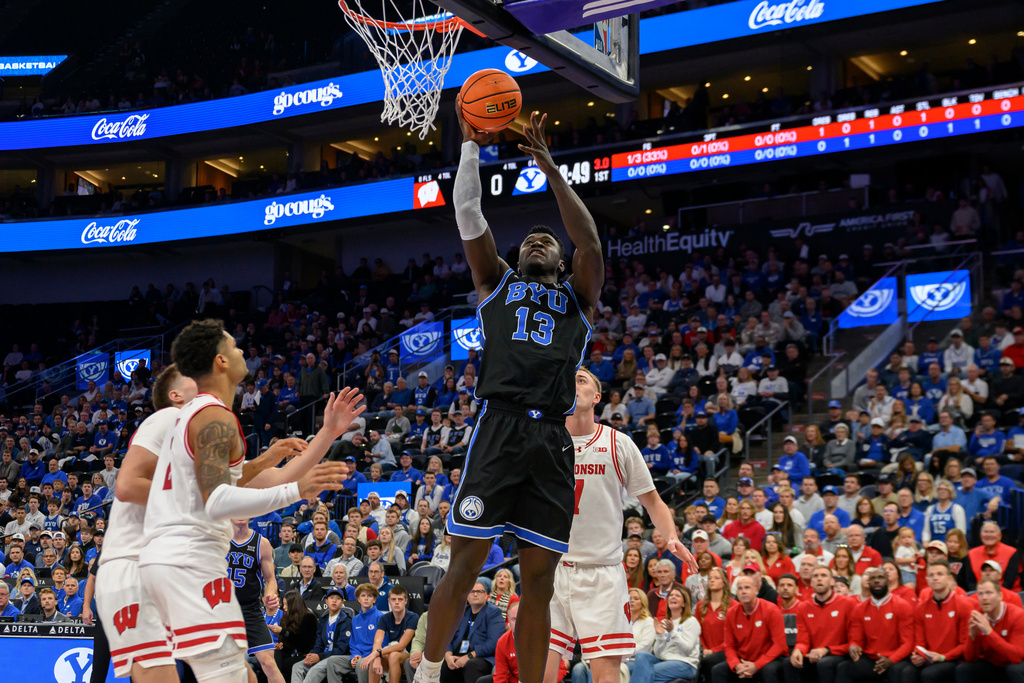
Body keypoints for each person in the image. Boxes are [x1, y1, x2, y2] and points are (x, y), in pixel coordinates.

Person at [418, 109, 604, 683]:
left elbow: (590, 240)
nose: (538, 239)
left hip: (550, 439)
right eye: (530, 239)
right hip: (497, 428)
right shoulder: (495, 283)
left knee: (539, 584)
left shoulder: (579, 297)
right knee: (465, 562)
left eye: (547, 239)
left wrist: (550, 167)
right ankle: (426, 672)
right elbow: (468, 213)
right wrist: (471, 146)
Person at [138, 320, 361, 682]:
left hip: (174, 565)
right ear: (221, 361)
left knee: (240, 674)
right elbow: (219, 500)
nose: (243, 351)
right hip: (186, 566)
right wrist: (296, 493)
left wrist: (328, 432)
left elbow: (271, 478)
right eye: (235, 346)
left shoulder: (199, 419)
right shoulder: (213, 418)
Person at [545, 369, 697, 683]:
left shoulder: (618, 443)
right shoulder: (544, 441)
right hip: (552, 568)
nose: (574, 383)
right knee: (538, 672)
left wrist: (672, 537)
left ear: (597, 397)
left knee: (605, 674)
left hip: (602, 572)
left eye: (582, 379)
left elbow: (653, 501)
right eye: (568, 379)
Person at [227, 518, 283, 683]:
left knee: (268, 662)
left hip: (250, 609)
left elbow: (270, 578)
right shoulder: (218, 538)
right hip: (222, 609)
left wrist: (270, 594)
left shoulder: (261, 543)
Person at [837, 567, 914, 683]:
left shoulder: (902, 606)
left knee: (897, 671)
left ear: (887, 581)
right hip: (871, 658)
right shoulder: (860, 609)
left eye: (881, 577)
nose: (877, 581)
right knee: (844, 667)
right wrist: (853, 645)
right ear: (869, 583)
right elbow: (855, 639)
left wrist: (891, 660)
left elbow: (907, 643)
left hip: (895, 658)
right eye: (873, 578)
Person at [787, 565, 856, 683]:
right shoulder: (803, 607)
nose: (819, 579)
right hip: (814, 653)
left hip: (839, 653)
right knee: (790, 662)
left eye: (823, 576)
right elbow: (803, 640)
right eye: (816, 576)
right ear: (812, 582)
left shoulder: (848, 603)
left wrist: (827, 650)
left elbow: (854, 641)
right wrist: (798, 650)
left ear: (832, 581)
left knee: (824, 663)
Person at [715, 575, 787, 683]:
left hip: (769, 659)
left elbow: (779, 644)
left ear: (756, 590)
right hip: (743, 660)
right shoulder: (731, 613)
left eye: (747, 587)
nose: (743, 591)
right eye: (740, 588)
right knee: (718, 670)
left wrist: (757, 665)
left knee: (769, 670)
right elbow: (729, 645)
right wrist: (736, 665)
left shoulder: (771, 609)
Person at [907, 562, 969, 683]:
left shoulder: (963, 605)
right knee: (906, 672)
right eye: (931, 575)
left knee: (929, 674)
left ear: (949, 578)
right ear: (927, 579)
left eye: (940, 574)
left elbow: (965, 644)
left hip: (954, 660)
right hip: (929, 658)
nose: (935, 578)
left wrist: (943, 657)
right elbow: (919, 643)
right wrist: (918, 655)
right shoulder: (921, 609)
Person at [628, 587, 701, 683]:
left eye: (677, 596)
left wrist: (672, 632)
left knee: (644, 672)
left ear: (684, 603)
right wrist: (660, 636)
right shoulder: (665, 622)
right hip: (664, 660)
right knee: (642, 656)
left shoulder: (691, 621)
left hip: (685, 663)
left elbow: (687, 650)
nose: (673, 597)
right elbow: (658, 653)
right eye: (671, 595)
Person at [957, 579, 1024, 683]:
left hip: (1014, 664)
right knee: (964, 669)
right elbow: (970, 658)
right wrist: (972, 637)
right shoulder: (978, 616)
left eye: (989, 593)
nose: (984, 598)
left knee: (1014, 670)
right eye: (980, 594)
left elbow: (1016, 657)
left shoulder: (1017, 615)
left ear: (1000, 596)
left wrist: (989, 631)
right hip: (993, 665)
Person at [439, 581, 505, 683]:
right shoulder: (461, 612)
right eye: (472, 591)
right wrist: (448, 656)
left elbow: (494, 643)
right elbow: (448, 637)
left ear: (486, 596)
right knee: (445, 665)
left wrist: (469, 656)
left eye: (479, 591)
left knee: (471, 665)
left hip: (483, 657)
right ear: (467, 596)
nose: (475, 594)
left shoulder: (494, 613)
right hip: (459, 655)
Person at [292, 586, 355, 683]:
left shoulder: (346, 621)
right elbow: (319, 643)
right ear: (326, 601)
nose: (334, 601)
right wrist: (312, 654)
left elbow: (341, 649)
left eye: (338, 599)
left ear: (342, 603)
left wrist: (319, 657)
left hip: (335, 658)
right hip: (323, 655)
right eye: (331, 598)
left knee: (315, 670)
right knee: (297, 667)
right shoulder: (323, 619)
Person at [276, 591, 320, 682]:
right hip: (291, 653)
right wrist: (280, 645)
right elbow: (288, 644)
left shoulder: (309, 618)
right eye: (283, 604)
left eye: (286, 604)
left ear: (293, 605)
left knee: (282, 664)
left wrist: (282, 631)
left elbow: (303, 643)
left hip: (306, 654)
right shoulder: (286, 618)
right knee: (275, 655)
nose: (283, 607)